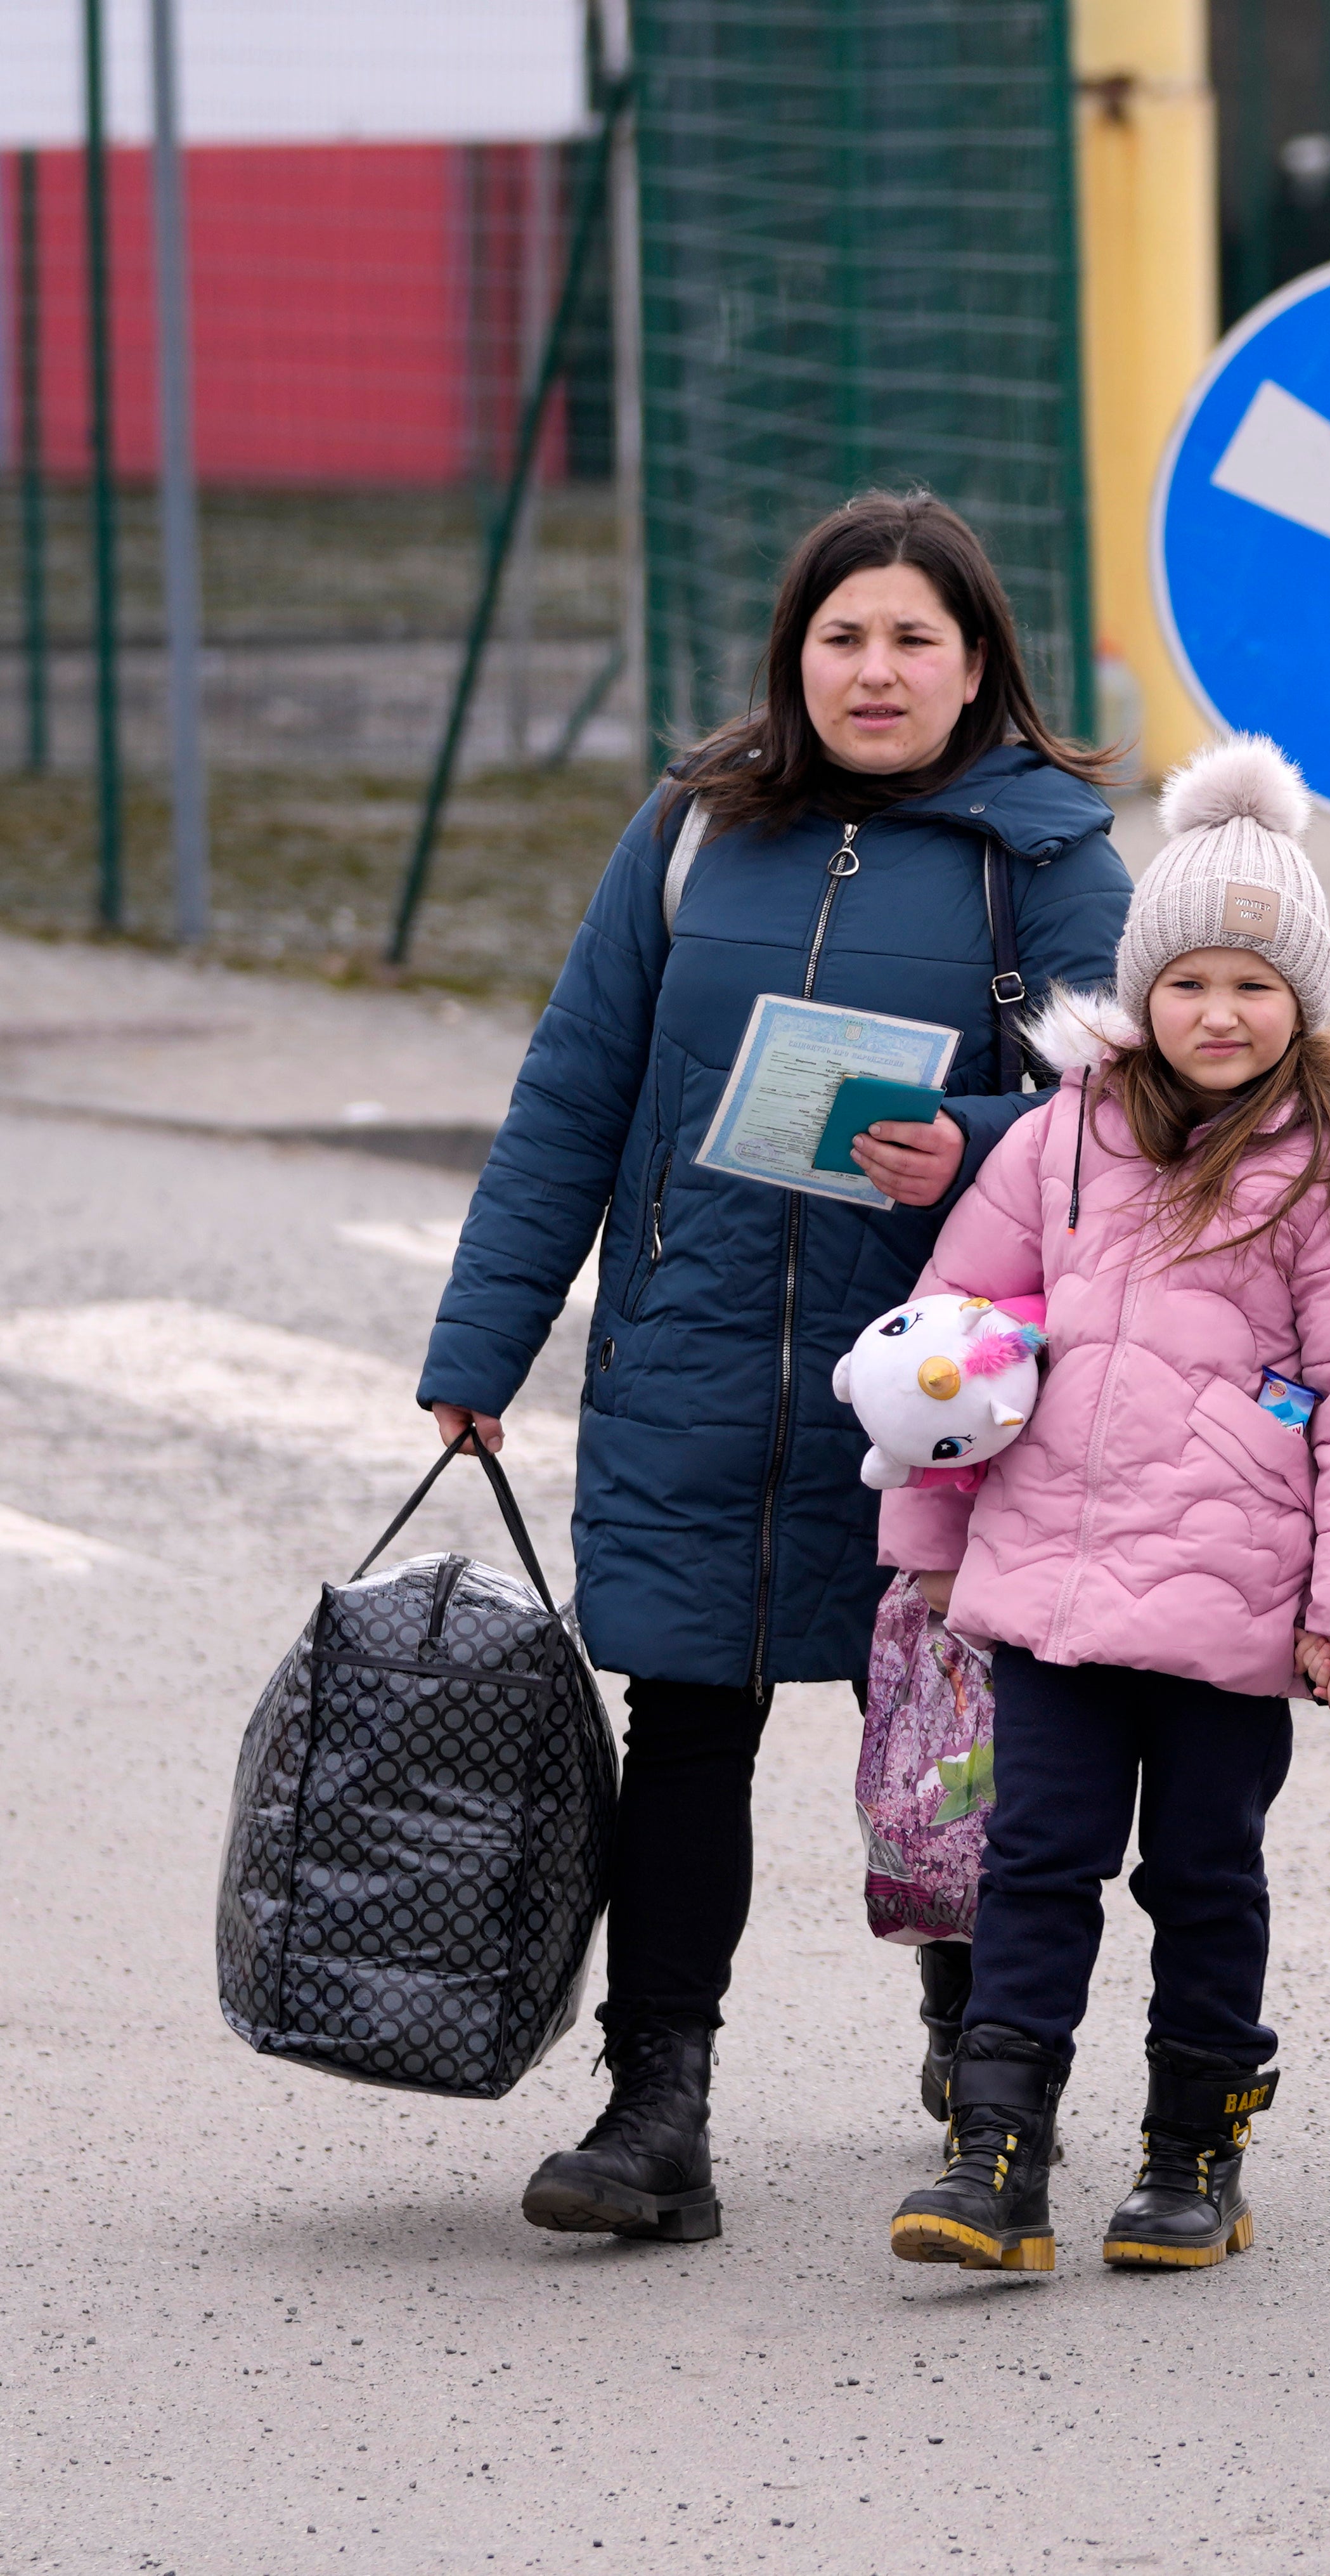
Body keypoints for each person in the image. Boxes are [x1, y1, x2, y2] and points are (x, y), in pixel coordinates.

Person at [421, 491, 1132, 2246]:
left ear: (978, 665)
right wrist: (479, 1340)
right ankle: (654, 2105)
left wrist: (966, 1136)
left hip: (941, 1388)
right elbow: (574, 1086)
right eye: (841, 637)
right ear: (790, 655)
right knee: (684, 1728)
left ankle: (986, 2076)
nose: (873, 671)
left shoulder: (1046, 858)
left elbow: (1127, 1124)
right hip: (697, 1358)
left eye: (911, 639)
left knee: (954, 1737)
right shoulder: (689, 830)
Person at [872, 735, 1330, 2275]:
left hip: (1234, 1608)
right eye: (1188, 981)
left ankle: (1194, 2147)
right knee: (1035, 1861)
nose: (1219, 1013)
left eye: (1254, 986)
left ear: (1301, 1004)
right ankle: (996, 2153)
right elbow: (954, 1347)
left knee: (1201, 1874)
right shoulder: (1060, 1142)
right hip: (1049, 1592)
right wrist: (930, 1548)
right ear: (1141, 992)